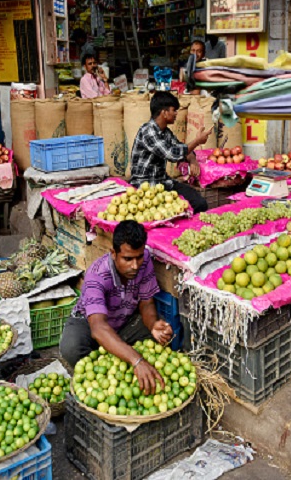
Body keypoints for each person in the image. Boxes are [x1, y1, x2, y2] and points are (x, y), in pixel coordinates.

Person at [59, 220, 173, 394]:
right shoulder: (96, 276)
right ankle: (112, 356)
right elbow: (98, 328)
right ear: (114, 253)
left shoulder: (145, 261)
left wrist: (153, 325)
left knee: (162, 331)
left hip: (123, 322)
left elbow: (147, 303)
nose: (135, 265)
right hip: (89, 323)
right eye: (127, 259)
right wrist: (137, 361)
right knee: (71, 347)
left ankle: (117, 351)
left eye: (139, 257)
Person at [129, 91, 212, 214]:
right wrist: (197, 141)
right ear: (164, 112)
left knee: (200, 203)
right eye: (174, 110)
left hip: (163, 182)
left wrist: (193, 160)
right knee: (169, 212)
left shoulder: (166, 132)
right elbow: (172, 154)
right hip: (145, 186)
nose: (176, 114)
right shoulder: (148, 131)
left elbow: (183, 149)